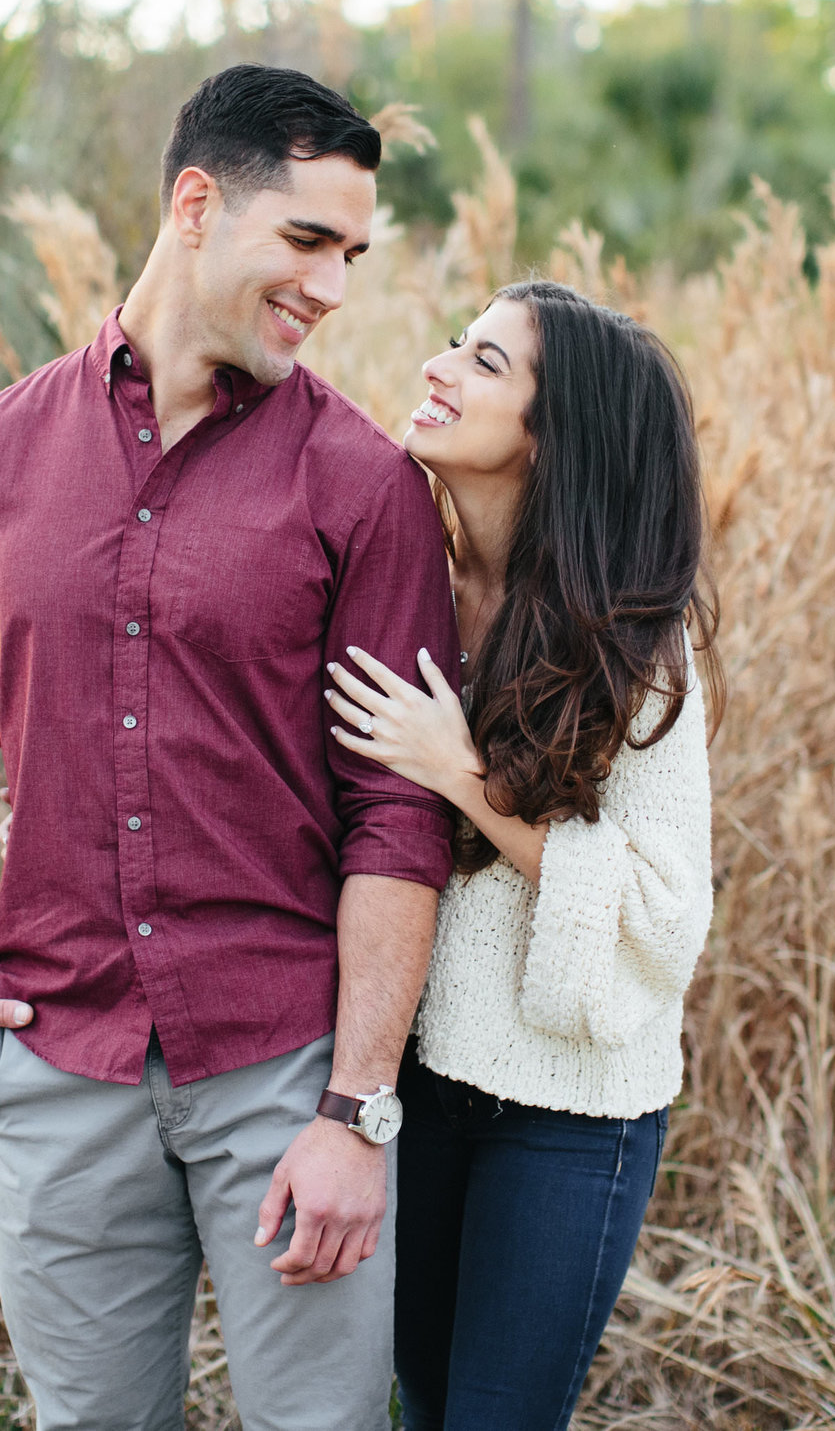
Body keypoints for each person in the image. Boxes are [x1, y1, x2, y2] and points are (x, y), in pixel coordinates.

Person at [0, 64, 460, 1431]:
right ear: (196, 203)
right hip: (55, 1065)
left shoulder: (366, 485)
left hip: (282, 1074)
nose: (331, 287)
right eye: (307, 240)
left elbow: (396, 812)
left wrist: (355, 1108)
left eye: (353, 254)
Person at [321, 280, 719, 1431]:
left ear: (554, 437)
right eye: (456, 341)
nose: (440, 366)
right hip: (422, 1084)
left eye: (485, 363)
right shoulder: (409, 589)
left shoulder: (638, 640)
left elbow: (661, 910)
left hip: (572, 1108)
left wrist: (465, 777)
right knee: (424, 1404)